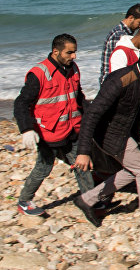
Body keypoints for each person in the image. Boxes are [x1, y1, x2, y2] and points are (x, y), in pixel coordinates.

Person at [73, 47, 140, 235]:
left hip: (122, 132)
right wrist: (83, 151)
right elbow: (92, 113)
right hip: (110, 134)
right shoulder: (121, 80)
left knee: (133, 170)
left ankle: (87, 199)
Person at [12, 34, 95, 216]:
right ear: (55, 51)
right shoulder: (39, 74)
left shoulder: (73, 68)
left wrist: (91, 114)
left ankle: (90, 199)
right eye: (69, 52)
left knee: (81, 163)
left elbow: (78, 96)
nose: (74, 56)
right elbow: (21, 103)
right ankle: (24, 201)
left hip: (72, 129)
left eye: (75, 52)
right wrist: (26, 129)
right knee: (43, 167)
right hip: (48, 133)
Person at [99, 4, 140, 85]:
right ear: (131, 18)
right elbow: (117, 67)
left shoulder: (122, 32)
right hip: (111, 83)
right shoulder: (119, 35)